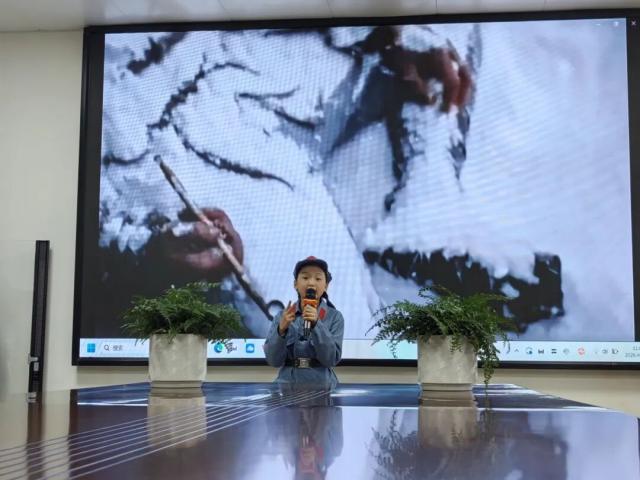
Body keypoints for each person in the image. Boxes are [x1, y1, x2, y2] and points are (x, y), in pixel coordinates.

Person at [263, 257, 344, 389]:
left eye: (318, 278)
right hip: (287, 386)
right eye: (305, 278)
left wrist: (317, 324)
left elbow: (331, 359)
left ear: (326, 286)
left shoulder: (335, 317)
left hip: (322, 387)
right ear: (295, 284)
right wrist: (281, 330)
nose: (311, 283)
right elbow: (273, 361)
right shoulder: (282, 316)